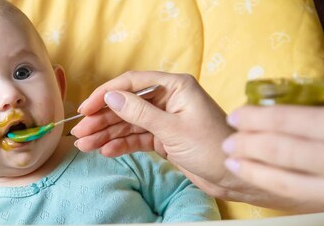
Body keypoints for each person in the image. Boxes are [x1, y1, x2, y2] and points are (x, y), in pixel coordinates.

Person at [0, 0, 220, 224]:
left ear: (58, 87)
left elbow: (186, 193)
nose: (9, 95)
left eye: (22, 72)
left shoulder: (117, 151)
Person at [71, 70, 324, 213]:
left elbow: (185, 196)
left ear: (58, 83)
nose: (27, 100)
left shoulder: (125, 161)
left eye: (28, 72)